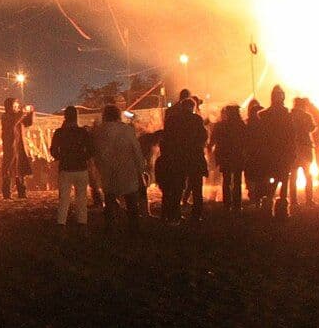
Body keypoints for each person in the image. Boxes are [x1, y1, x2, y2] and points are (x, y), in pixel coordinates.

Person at [92, 104, 147, 230]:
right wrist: (141, 169)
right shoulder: (127, 130)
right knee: (132, 202)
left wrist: (99, 169)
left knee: (110, 199)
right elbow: (136, 150)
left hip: (108, 171)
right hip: (127, 170)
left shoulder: (99, 132)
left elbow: (96, 153)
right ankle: (134, 229)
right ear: (118, 115)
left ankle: (110, 228)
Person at [158, 93, 209, 221]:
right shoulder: (197, 119)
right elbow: (203, 137)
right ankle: (197, 215)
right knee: (197, 188)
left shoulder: (172, 119)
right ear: (193, 107)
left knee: (177, 187)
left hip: (177, 158)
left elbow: (166, 137)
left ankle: (175, 214)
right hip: (194, 158)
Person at [50, 105, 94, 228]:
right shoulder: (83, 132)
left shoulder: (59, 133)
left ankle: (61, 224)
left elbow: (53, 151)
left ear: (65, 117)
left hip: (65, 168)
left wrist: (62, 157)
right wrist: (82, 157)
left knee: (64, 198)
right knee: (81, 198)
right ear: (76, 117)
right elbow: (91, 150)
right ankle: (82, 224)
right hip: (81, 168)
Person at [211, 103, 249, 210]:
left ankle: (227, 204)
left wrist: (213, 151)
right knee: (237, 181)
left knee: (226, 180)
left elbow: (214, 140)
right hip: (237, 156)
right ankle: (237, 204)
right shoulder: (241, 125)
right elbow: (246, 141)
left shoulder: (221, 125)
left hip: (225, 156)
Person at [0, 97, 32, 199]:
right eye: (15, 105)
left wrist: (30, 112)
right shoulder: (5, 116)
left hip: (20, 146)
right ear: (9, 106)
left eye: (17, 105)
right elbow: (13, 122)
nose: (17, 107)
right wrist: (22, 113)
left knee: (20, 169)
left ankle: (22, 192)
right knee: (8, 169)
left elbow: (28, 123)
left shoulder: (18, 116)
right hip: (10, 146)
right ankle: (7, 192)